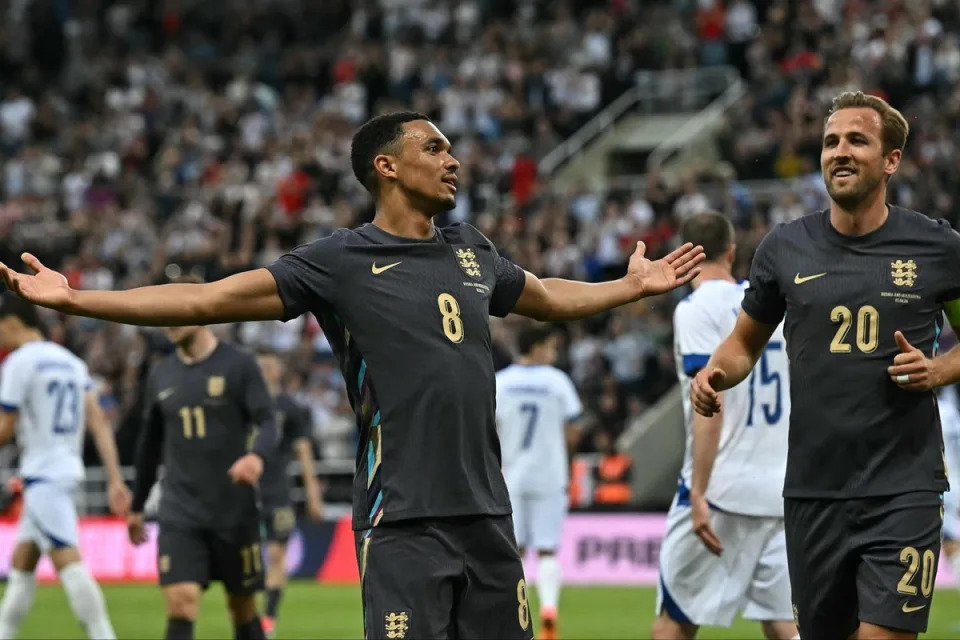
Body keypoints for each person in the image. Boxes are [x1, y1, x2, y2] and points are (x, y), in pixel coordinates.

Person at [0, 111, 704, 640]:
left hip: (489, 517)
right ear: (386, 168)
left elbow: (549, 297)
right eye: (434, 148)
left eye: (452, 148)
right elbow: (207, 298)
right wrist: (77, 298)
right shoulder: (339, 262)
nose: (453, 160)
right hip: (402, 520)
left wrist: (627, 287)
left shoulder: (472, 250)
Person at [690, 91, 960, 640]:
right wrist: (714, 373)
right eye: (831, 141)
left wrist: (941, 370)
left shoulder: (936, 247)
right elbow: (742, 344)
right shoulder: (784, 249)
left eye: (857, 140)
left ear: (891, 160)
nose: (840, 151)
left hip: (903, 486)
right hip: (813, 491)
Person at [653, 212, 796, 640]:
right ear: (732, 253)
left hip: (722, 490)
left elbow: (708, 400)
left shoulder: (696, 309)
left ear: (683, 256)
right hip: (781, 490)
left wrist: (698, 491)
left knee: (674, 623)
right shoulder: (771, 307)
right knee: (784, 623)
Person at [127, 285, 279, 640]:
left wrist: (256, 457)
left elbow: (269, 421)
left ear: (201, 309)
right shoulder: (160, 375)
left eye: (176, 310)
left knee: (242, 608)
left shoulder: (239, 365)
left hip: (233, 509)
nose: (169, 321)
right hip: (180, 510)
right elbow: (149, 446)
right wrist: (137, 506)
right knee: (181, 602)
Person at [0, 292, 130, 640]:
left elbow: (5, 427)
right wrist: (115, 478)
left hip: (42, 475)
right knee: (22, 565)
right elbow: (100, 424)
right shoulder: (72, 363)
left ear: (11, 324)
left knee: (69, 563)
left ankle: (105, 635)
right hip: (64, 470)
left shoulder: (18, 362)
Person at [496, 325, 583, 640]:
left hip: (511, 477)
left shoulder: (501, 382)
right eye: (550, 347)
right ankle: (549, 613)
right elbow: (574, 429)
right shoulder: (557, 382)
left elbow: (489, 429)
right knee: (547, 549)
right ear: (536, 348)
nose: (554, 354)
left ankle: (513, 614)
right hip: (550, 475)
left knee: (512, 550)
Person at [254, 349, 324, 638]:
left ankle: (268, 617)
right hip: (243, 492)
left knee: (276, 554)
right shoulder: (245, 403)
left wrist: (313, 493)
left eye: (271, 364)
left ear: (280, 369)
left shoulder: (290, 407)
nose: (267, 369)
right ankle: (248, 615)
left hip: (277, 492)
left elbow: (303, 450)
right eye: (262, 365)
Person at [939, 381, 960, 620]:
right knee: (951, 543)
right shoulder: (952, 412)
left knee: (952, 544)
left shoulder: (930, 411)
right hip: (952, 483)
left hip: (933, 485)